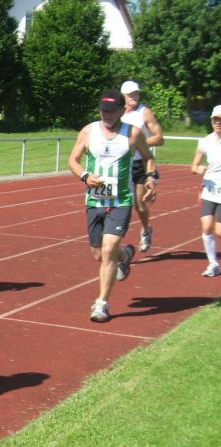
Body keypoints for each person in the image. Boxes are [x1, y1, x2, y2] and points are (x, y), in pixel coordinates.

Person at [68, 90, 157, 323]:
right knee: (99, 254)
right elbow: (73, 160)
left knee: (108, 251)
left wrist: (150, 178)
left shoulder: (133, 133)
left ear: (121, 111)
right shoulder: (88, 131)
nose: (106, 114)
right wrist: (85, 176)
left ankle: (101, 304)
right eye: (103, 110)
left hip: (121, 200)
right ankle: (125, 255)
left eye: (111, 111)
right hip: (94, 200)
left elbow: (148, 157)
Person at [120, 80, 164, 252]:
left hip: (140, 163)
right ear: (123, 95)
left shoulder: (144, 112)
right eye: (131, 94)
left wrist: (139, 143)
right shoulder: (117, 112)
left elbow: (159, 138)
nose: (134, 96)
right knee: (120, 204)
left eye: (137, 93)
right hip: (122, 163)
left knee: (139, 205)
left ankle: (146, 230)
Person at [189, 105, 221, 277]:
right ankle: (213, 264)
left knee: (219, 231)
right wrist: (198, 169)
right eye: (215, 119)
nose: (218, 123)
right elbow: (193, 166)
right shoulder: (205, 141)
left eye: (220, 120)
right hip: (209, 189)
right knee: (206, 226)